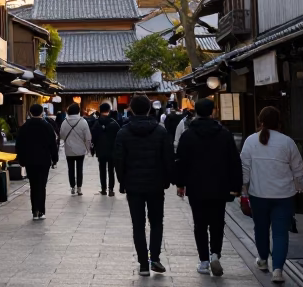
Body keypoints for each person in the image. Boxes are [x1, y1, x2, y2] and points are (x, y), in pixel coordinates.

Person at [173, 98, 242, 276]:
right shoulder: (224, 134)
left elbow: (181, 161)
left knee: (200, 223)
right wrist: (236, 186)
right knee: (217, 222)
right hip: (220, 185)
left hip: (196, 185)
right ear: (213, 112)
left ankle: (203, 261)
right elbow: (234, 161)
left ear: (195, 112)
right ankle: (215, 254)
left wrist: (180, 184)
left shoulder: (188, 135)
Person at [241, 106, 303, 284]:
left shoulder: (251, 141)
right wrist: (301, 187)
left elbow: (244, 168)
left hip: (258, 194)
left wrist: (244, 188)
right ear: (279, 122)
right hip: (283, 195)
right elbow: (298, 169)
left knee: (261, 228)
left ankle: (262, 260)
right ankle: (278, 269)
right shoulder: (287, 142)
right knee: (280, 233)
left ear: (260, 121)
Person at [113, 93, 173, 276]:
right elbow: (168, 158)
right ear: (149, 108)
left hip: (133, 184)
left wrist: (122, 181)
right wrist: (167, 179)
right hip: (155, 184)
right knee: (156, 222)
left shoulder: (123, 132)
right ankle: (154, 257)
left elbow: (118, 160)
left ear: (131, 109)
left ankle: (143, 264)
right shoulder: (160, 131)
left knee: (138, 225)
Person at [14, 104, 59, 220]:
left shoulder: (24, 127)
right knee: (42, 185)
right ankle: (41, 211)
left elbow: (19, 145)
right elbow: (53, 144)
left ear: (30, 112)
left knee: (33, 185)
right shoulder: (47, 126)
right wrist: (55, 158)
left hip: (29, 160)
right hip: (44, 160)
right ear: (42, 112)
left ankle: (34, 210)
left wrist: (21, 159)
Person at [60, 103, 93, 195]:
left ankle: (72, 187)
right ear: (78, 111)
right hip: (80, 149)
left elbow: (62, 136)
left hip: (69, 150)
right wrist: (88, 149)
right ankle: (79, 188)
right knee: (79, 169)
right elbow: (87, 137)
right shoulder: (83, 122)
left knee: (70, 169)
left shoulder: (64, 122)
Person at [90, 102, 120, 196]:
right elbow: (119, 137)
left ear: (100, 110)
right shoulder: (114, 123)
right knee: (111, 170)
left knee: (102, 170)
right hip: (112, 150)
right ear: (109, 110)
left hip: (101, 150)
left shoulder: (96, 123)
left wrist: (93, 149)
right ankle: (111, 189)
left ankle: (103, 189)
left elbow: (93, 138)